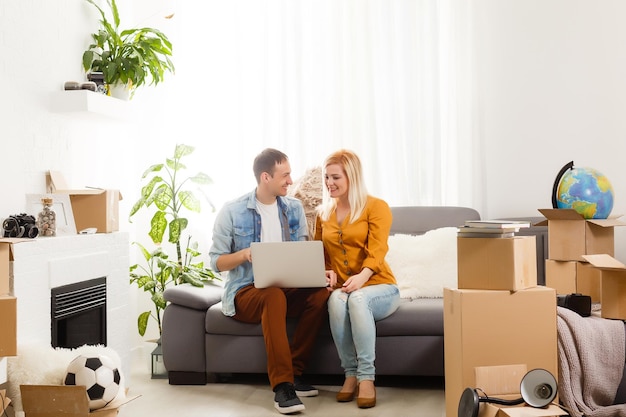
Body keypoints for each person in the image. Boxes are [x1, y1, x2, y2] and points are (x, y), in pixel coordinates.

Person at [209, 148, 331, 414]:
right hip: (246, 292)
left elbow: (301, 253)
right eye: (285, 175)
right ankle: (283, 386)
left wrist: (316, 273)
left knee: (321, 295)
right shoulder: (232, 211)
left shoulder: (294, 208)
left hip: (286, 287)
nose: (290, 180)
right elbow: (216, 262)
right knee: (273, 295)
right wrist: (243, 254)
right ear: (266, 177)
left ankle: (296, 373)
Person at [314, 149, 401, 409]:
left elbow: (378, 250)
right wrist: (327, 273)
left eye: (336, 177)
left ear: (351, 177)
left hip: (380, 286)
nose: (329, 183)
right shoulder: (323, 213)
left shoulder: (376, 207)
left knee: (357, 298)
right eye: (326, 177)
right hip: (345, 288)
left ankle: (366, 378)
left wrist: (362, 277)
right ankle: (349, 374)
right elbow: (321, 254)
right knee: (336, 301)